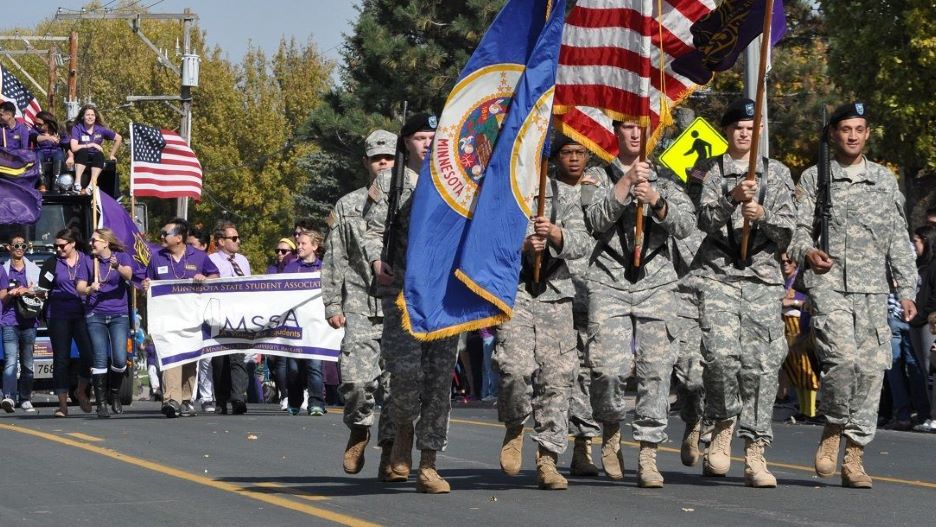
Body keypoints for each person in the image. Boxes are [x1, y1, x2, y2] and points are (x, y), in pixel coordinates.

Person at [788, 102, 918, 488]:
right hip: (829, 286)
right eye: (846, 129)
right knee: (842, 362)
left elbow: (897, 238)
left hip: (874, 289)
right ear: (833, 134)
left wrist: (907, 289)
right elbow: (796, 230)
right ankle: (833, 427)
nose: (853, 136)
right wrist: (808, 251)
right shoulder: (815, 178)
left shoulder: (884, 180)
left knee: (872, 370)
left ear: (867, 134)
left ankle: (855, 456)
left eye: (859, 129)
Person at [583, 121, 695, 487]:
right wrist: (626, 183)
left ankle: (648, 453)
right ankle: (611, 426)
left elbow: (686, 226)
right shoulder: (596, 175)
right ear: (615, 130)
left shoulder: (666, 176)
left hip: (656, 279)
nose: (635, 135)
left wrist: (658, 202)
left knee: (656, 369)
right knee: (608, 369)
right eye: (628, 127)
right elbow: (594, 221)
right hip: (609, 277)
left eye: (642, 129)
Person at [694, 99, 796, 487]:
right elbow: (703, 220)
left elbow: (790, 230)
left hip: (761, 278)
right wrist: (731, 198)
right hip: (719, 275)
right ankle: (722, 421)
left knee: (761, 366)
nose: (744, 133)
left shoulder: (777, 173)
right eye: (737, 126)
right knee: (719, 358)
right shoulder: (712, 171)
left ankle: (755, 450)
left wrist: (764, 215)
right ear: (727, 131)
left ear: (760, 132)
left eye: (751, 128)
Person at [363, 113, 459, 494]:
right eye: (420, 136)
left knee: (438, 383)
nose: (428, 143)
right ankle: (401, 430)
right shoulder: (391, 181)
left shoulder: (458, 183)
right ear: (406, 142)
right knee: (403, 377)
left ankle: (429, 464)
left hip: (445, 296)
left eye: (434, 136)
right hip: (403, 292)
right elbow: (371, 231)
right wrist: (376, 261)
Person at [494, 135, 590, 491]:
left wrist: (554, 233)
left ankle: (548, 458)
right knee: (514, 371)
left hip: (555, 295)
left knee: (557, 378)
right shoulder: (505, 194)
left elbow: (582, 244)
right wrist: (520, 246)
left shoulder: (563, 195)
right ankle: (515, 424)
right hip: (515, 292)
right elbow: (485, 244)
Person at [322, 129, 396, 479]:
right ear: (366, 162)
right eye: (377, 157)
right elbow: (335, 258)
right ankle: (360, 427)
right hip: (360, 303)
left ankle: (392, 452)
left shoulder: (413, 201)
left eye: (390, 157)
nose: (384, 163)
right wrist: (332, 304)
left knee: (399, 388)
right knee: (355, 381)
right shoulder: (348, 205)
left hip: (401, 306)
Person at [143, 218, 220, 418]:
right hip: (167, 319)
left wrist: (206, 278)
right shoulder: (157, 258)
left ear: (178, 238)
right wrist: (146, 287)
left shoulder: (199, 257)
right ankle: (171, 400)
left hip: (192, 318)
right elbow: (148, 284)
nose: (161, 236)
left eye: (164, 233)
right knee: (172, 356)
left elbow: (216, 277)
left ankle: (185, 400)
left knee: (189, 358)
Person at [76, 228, 135, 418]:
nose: (91, 243)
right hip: (95, 314)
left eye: (95, 241)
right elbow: (79, 287)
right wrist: (90, 289)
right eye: (91, 240)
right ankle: (101, 403)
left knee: (119, 358)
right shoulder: (87, 260)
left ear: (105, 243)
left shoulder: (121, 257)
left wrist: (117, 266)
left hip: (118, 314)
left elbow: (129, 275)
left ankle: (114, 393)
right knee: (100, 357)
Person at [46, 228, 95, 417]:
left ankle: (81, 390)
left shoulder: (88, 260)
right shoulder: (52, 263)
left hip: (82, 313)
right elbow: (44, 285)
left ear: (73, 243)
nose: (58, 249)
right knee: (61, 359)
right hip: (57, 314)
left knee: (89, 355)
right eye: (55, 246)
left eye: (62, 246)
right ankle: (62, 404)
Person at [207, 220, 251, 415]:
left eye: (237, 237)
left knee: (238, 357)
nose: (237, 241)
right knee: (220, 360)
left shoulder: (242, 261)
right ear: (221, 241)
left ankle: (238, 397)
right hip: (219, 314)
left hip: (239, 314)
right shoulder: (212, 260)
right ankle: (221, 399)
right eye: (233, 238)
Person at [283, 230, 326, 416]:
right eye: (298, 243)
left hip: (316, 326)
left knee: (315, 365)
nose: (299, 247)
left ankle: (316, 403)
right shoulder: (291, 267)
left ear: (315, 246)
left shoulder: (324, 268)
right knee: (293, 368)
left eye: (303, 244)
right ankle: (294, 401)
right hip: (295, 325)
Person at [0, 235, 41, 413]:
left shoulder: (33, 269)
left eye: (23, 245)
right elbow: (2, 296)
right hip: (9, 320)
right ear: (9, 248)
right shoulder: (3, 270)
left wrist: (29, 291)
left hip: (29, 321)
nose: (19, 248)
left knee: (27, 363)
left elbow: (42, 293)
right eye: (16, 245)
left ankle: (25, 398)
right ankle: (8, 397)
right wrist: (13, 293)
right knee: (10, 361)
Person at [779, 252, 820, 420]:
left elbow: (808, 302)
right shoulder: (784, 280)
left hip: (799, 325)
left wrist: (793, 302)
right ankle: (803, 410)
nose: (785, 265)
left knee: (806, 369)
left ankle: (810, 411)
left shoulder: (800, 279)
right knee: (795, 370)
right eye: (783, 262)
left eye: (789, 262)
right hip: (786, 326)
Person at [186, 226, 216, 413]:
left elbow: (216, 275)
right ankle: (187, 397)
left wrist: (204, 277)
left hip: (204, 314)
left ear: (203, 246)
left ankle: (207, 397)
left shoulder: (203, 259)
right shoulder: (182, 258)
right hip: (185, 314)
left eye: (192, 244)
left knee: (205, 358)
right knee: (189, 357)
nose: (189, 248)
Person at [909, 225, 936, 432]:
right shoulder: (918, 265)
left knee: (931, 368)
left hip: (929, 322)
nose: (913, 245)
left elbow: (932, 297)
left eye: (916, 241)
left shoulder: (934, 266)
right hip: (916, 322)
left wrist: (923, 313)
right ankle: (929, 413)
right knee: (923, 369)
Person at [69, 104, 122, 194]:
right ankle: (77, 183)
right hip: (81, 155)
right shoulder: (77, 128)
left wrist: (112, 155)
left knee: (100, 155)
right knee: (83, 152)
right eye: (88, 115)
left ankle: (91, 185)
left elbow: (119, 138)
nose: (90, 117)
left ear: (95, 117)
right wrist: (91, 144)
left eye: (92, 115)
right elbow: (74, 148)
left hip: (95, 156)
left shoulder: (100, 129)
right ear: (83, 116)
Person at [31, 111, 66, 191]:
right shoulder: (35, 129)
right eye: (36, 123)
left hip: (55, 151)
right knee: (37, 154)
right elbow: (34, 137)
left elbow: (66, 144)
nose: (37, 125)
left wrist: (70, 156)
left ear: (47, 124)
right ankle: (42, 183)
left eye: (40, 124)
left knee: (59, 155)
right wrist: (48, 138)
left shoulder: (59, 130)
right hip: (41, 150)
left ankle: (56, 183)